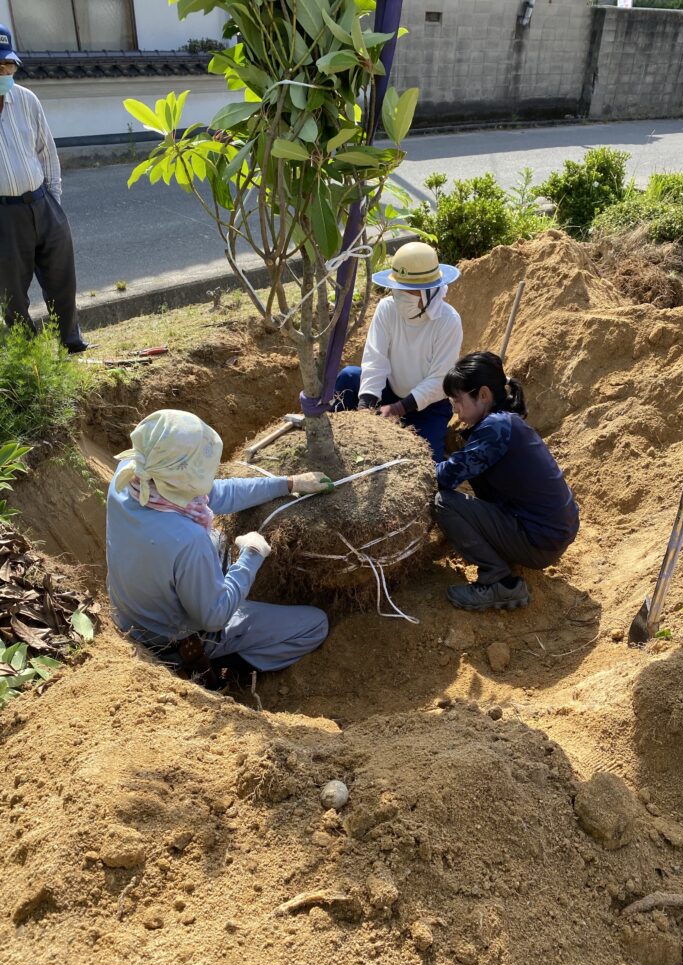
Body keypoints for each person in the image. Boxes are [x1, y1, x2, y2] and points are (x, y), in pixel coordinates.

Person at [106, 409, 332, 684]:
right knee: (315, 625)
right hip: (173, 640)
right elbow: (215, 616)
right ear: (183, 475)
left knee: (219, 542)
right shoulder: (188, 539)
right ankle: (221, 669)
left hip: (133, 617)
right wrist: (251, 555)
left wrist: (287, 484)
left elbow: (216, 494)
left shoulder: (131, 475)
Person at [434, 352, 579, 612]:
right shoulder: (505, 421)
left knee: (444, 503)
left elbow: (446, 477)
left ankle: (499, 581)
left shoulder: (494, 429)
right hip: (555, 531)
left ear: (483, 395)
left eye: (458, 400)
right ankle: (504, 553)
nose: (455, 409)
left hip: (541, 541)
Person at [0, 25, 88, 354]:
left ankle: (70, 342)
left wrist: (54, 201)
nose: (5, 72)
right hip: (4, 214)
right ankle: (31, 356)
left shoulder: (26, 100)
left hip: (42, 202)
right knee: (11, 293)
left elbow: (46, 152)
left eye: (9, 65)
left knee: (62, 279)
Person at [333, 241, 462, 461]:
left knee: (427, 463)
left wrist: (397, 409)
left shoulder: (448, 322)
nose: (401, 296)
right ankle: (335, 438)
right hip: (389, 392)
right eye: (398, 288)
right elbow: (375, 359)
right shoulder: (387, 308)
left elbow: (439, 380)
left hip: (428, 407)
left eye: (408, 291)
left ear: (429, 292)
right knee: (349, 377)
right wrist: (366, 408)